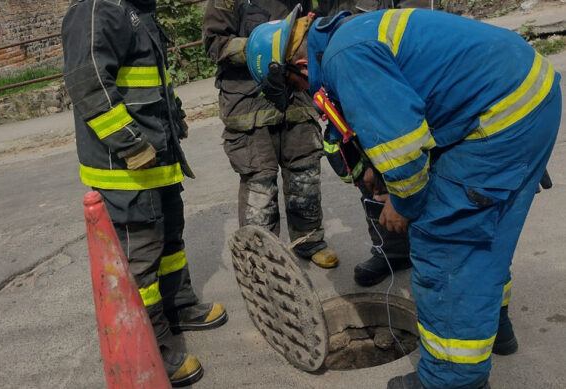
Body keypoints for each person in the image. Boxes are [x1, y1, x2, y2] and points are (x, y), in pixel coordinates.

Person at [245, 6, 561, 389]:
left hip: (498, 119)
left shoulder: (345, 57)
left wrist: (402, 203)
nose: (301, 93)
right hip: (529, 97)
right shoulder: (351, 33)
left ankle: (452, 379)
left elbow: (405, 151)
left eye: (294, 86)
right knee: (487, 233)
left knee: (445, 243)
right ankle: (495, 330)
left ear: (298, 64)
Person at [61, 0, 227, 386]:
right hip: (128, 169)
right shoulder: (96, 9)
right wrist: (132, 144)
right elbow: (89, 84)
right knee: (142, 264)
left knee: (171, 244)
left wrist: (176, 116)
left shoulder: (136, 9)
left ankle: (180, 305)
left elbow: (153, 79)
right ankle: (155, 346)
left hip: (159, 159)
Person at [202, 0, 339, 268]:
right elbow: (213, 43)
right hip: (249, 104)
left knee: (305, 174)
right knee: (259, 184)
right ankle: (262, 256)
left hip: (295, 97)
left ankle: (309, 240)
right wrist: (265, 48)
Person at [317, 0, 413, 287]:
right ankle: (392, 251)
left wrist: (401, 195)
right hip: (345, 75)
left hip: (390, 69)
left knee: (412, 155)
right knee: (369, 174)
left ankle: (432, 246)